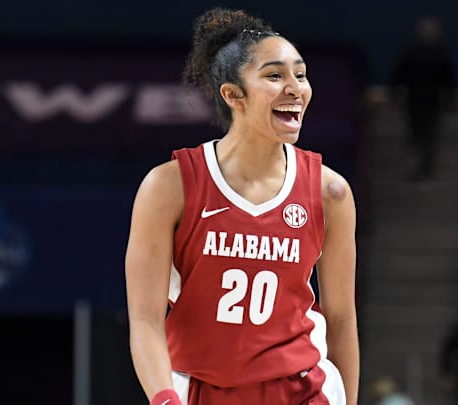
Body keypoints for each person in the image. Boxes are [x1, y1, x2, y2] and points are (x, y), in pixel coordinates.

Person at [125, 8, 358, 405]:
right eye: (274, 76)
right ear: (233, 95)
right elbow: (145, 319)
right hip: (200, 388)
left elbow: (340, 318)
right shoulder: (169, 187)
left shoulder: (329, 191)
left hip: (303, 390)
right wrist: (164, 399)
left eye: (300, 74)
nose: (296, 88)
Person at [390, 16, 456, 181]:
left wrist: (450, 98)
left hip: (429, 104)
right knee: (417, 136)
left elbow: (448, 80)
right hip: (416, 103)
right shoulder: (413, 54)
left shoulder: (439, 55)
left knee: (428, 137)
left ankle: (425, 170)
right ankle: (417, 169)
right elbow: (399, 75)